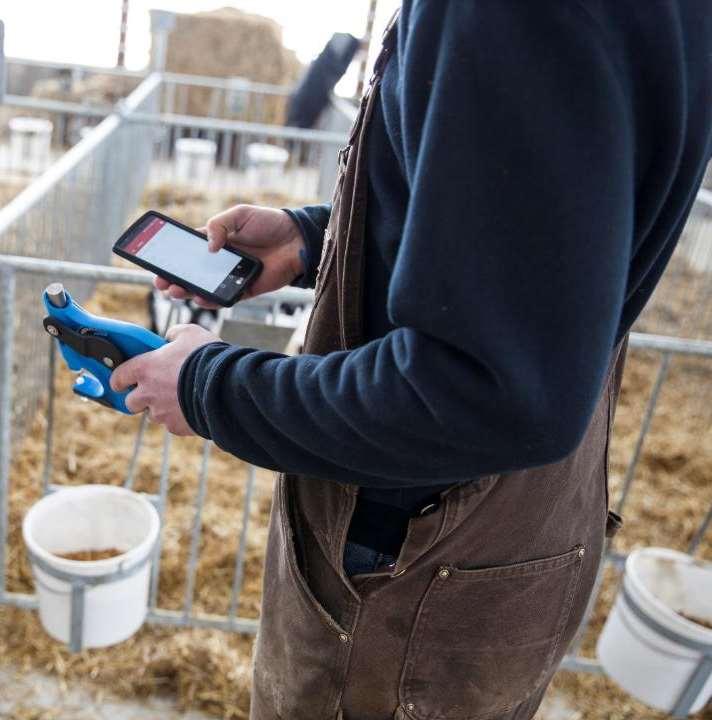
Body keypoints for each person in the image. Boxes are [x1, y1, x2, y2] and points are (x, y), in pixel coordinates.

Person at [111, 2, 712, 718]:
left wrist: (211, 387)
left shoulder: (516, 17)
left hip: (408, 570)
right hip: (493, 535)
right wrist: (317, 240)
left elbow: (486, 388)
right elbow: (534, 235)